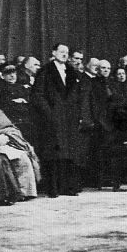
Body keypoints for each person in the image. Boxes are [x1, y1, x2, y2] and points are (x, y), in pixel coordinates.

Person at [30, 43, 85, 197]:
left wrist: (77, 114)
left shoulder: (72, 71)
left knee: (69, 154)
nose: (64, 54)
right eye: (61, 51)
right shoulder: (45, 71)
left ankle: (68, 187)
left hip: (70, 119)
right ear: (53, 53)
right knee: (54, 154)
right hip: (53, 119)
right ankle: (53, 188)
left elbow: (78, 96)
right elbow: (38, 95)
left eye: (67, 52)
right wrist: (50, 114)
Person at [0, 64, 33, 142]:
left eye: (14, 73)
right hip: (14, 120)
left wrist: (21, 101)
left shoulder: (23, 88)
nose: (12, 75)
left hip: (27, 119)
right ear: (2, 76)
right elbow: (5, 105)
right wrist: (21, 101)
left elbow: (31, 102)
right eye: (8, 73)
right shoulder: (0, 90)